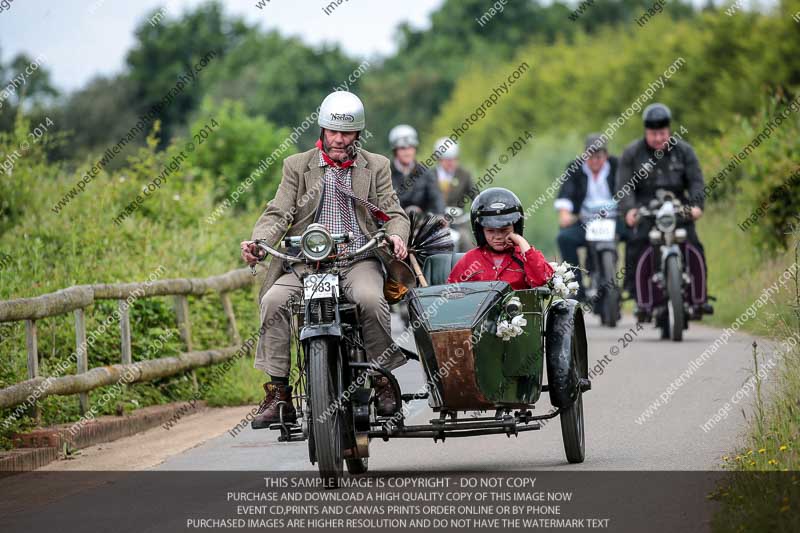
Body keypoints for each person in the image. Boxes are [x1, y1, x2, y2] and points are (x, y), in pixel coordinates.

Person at [240, 91, 410, 427]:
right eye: (333, 132)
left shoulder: (376, 166)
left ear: (358, 134)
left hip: (358, 258)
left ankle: (381, 379)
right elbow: (278, 212)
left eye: (346, 134)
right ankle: (278, 393)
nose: (338, 140)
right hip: (306, 263)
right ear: (322, 130)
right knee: (273, 300)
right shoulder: (297, 166)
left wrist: (395, 235)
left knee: (370, 299)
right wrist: (259, 243)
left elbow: (394, 213)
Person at [615, 103, 711, 312]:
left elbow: (696, 181)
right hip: (645, 208)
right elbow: (624, 186)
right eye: (653, 134)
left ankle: (699, 296)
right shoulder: (632, 153)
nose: (658, 138)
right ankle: (637, 296)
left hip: (678, 207)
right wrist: (629, 210)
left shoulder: (684, 151)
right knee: (636, 244)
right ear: (646, 131)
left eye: (662, 133)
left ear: (669, 131)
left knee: (694, 244)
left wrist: (696, 206)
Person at [554, 133, 620, 301]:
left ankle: (635, 288)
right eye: (590, 156)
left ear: (606, 155)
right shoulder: (575, 168)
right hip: (585, 222)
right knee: (564, 238)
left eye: (599, 156)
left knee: (640, 235)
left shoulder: (617, 166)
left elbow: (630, 190)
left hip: (614, 221)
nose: (595, 161)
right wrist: (565, 214)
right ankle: (577, 286)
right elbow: (566, 195)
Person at [448, 187, 553, 289]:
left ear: (516, 228)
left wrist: (521, 241)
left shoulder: (525, 256)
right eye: (490, 231)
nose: (498, 236)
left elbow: (541, 279)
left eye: (504, 230)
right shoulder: (469, 260)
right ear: (480, 231)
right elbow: (450, 294)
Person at [388, 124, 444, 214]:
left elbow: (436, 199)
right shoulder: (385, 172)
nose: (407, 152)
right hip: (392, 223)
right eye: (402, 148)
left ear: (415, 148)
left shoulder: (426, 173)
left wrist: (439, 216)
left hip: (423, 225)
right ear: (395, 150)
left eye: (410, 147)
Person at [427, 137, 475, 209]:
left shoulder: (464, 175)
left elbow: (475, 196)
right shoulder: (429, 175)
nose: (450, 163)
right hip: (433, 217)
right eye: (447, 159)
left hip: (457, 217)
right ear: (439, 159)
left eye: (453, 159)